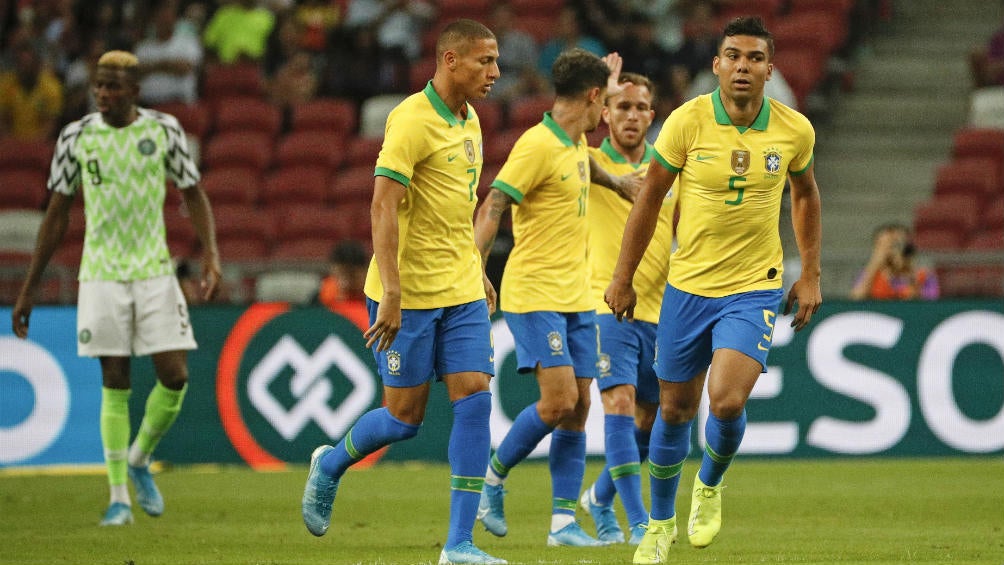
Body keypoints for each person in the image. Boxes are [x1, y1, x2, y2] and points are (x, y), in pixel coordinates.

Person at [603, 17, 822, 562]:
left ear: (770, 69)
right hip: (688, 287)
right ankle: (658, 525)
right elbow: (650, 199)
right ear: (716, 65)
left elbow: (806, 196)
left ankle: (709, 484)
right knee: (675, 411)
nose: (743, 66)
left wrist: (811, 272)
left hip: (754, 286)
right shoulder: (686, 122)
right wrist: (622, 277)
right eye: (733, 56)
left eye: (754, 58)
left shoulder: (794, 130)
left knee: (724, 401)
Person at [300, 19, 506, 565]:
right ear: (451, 61)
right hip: (407, 294)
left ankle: (459, 545)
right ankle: (330, 464)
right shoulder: (411, 120)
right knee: (403, 419)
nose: (495, 72)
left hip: (459, 289)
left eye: (496, 61)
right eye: (485, 61)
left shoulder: (471, 121)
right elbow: (383, 205)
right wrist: (390, 292)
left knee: (475, 399)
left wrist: (477, 267)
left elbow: (457, 206)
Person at [11, 50, 221, 527]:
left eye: (112, 86)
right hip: (102, 272)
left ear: (135, 90)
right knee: (116, 380)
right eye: (98, 85)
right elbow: (57, 215)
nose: (103, 93)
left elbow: (193, 193)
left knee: (175, 375)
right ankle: (118, 498)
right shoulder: (76, 137)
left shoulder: (163, 131)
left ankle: (139, 457)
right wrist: (30, 288)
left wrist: (211, 252)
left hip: (153, 269)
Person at [471, 49, 639, 548]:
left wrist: (619, 182)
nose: (607, 114)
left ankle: (563, 524)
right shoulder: (537, 146)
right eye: (605, 102)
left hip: (575, 297)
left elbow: (586, 162)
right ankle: (492, 479)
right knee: (560, 399)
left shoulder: (573, 142)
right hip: (535, 292)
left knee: (580, 406)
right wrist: (475, 270)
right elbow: (494, 202)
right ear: (591, 98)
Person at [578, 71, 676, 547]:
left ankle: (598, 496)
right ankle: (639, 520)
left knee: (651, 419)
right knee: (616, 402)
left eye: (640, 108)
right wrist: (600, 82)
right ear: (604, 114)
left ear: (652, 116)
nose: (632, 116)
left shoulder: (668, 168)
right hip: (605, 302)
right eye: (621, 107)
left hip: (662, 311)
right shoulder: (590, 161)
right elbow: (559, 130)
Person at [134, 0, 204, 106]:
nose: (164, 17)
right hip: (148, 106)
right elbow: (135, 72)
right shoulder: (143, 47)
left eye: (168, 13)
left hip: (179, 104)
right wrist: (167, 65)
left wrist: (151, 67)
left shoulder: (187, 41)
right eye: (160, 14)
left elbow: (184, 68)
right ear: (153, 18)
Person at [849, 223, 939, 300]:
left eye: (896, 244)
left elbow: (929, 305)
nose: (889, 250)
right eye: (883, 245)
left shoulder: (923, 275)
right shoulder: (869, 275)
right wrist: (874, 264)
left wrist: (908, 272)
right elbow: (856, 299)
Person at [0, 35, 63, 140]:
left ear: (38, 64)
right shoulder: (5, 85)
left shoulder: (52, 87)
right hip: (11, 145)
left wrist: (31, 148)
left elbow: (51, 125)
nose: (24, 70)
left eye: (28, 65)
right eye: (21, 65)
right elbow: (2, 121)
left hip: (40, 146)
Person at [313, 239, 370, 329]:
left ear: (365, 272)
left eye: (352, 275)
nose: (346, 282)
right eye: (342, 274)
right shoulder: (320, 298)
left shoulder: (375, 299)